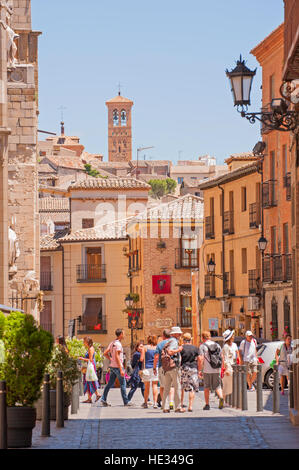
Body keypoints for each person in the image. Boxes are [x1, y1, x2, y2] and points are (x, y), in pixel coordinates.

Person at [100, 329, 133, 407]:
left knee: (110, 383)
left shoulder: (112, 343)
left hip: (112, 366)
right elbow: (117, 356)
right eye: (124, 333)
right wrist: (121, 368)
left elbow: (105, 353)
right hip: (118, 367)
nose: (124, 335)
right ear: (121, 334)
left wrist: (111, 359)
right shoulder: (118, 344)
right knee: (123, 384)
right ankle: (126, 402)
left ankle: (103, 398)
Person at [161, 326, 185, 413]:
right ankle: (178, 407)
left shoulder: (168, 341)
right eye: (178, 333)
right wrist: (179, 349)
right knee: (177, 386)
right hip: (173, 366)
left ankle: (165, 407)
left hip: (167, 367)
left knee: (167, 387)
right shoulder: (174, 341)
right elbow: (170, 352)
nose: (180, 334)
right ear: (174, 334)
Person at [198, 331, 224, 410]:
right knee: (217, 386)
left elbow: (201, 358)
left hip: (207, 370)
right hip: (216, 369)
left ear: (203, 338)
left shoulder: (202, 346)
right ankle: (221, 397)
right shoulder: (217, 345)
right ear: (210, 337)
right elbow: (222, 356)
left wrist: (200, 369)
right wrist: (222, 367)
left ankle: (207, 404)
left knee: (207, 387)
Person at [153, 329, 175, 409]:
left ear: (163, 336)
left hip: (162, 367)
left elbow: (156, 357)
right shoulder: (174, 343)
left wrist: (154, 367)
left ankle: (164, 403)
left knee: (162, 386)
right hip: (172, 367)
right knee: (171, 386)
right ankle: (171, 402)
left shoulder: (159, 345)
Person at [180, 333, 200, 412]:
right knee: (192, 388)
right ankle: (190, 406)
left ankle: (181, 404)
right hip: (193, 368)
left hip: (184, 368)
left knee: (181, 387)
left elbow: (179, 359)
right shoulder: (195, 348)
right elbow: (200, 358)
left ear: (183, 340)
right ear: (190, 339)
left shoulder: (181, 348)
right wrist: (199, 369)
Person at [79, 336, 101, 403]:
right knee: (88, 381)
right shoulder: (89, 348)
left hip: (91, 366)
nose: (83, 343)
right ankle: (89, 398)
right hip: (89, 366)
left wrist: (82, 358)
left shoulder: (91, 349)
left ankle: (97, 394)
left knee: (91, 380)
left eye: (84, 341)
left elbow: (90, 359)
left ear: (87, 342)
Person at [140, 336, 159, 408]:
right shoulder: (157, 348)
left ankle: (145, 403)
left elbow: (141, 359)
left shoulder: (144, 348)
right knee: (155, 385)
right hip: (155, 368)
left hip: (147, 368)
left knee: (147, 387)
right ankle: (155, 403)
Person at [221, 329, 240, 403]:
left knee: (232, 385)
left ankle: (230, 401)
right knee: (227, 385)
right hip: (228, 366)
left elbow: (237, 354)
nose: (233, 336)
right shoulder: (225, 346)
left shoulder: (234, 345)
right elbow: (225, 358)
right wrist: (226, 368)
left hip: (234, 366)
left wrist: (239, 363)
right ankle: (222, 401)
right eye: (232, 335)